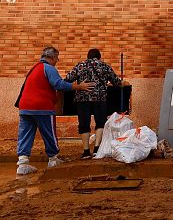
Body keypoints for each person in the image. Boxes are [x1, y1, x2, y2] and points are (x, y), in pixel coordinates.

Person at [16, 46, 94, 176]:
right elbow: (58, 84)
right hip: (42, 107)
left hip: (25, 107)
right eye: (57, 58)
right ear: (52, 58)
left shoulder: (34, 68)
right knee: (49, 133)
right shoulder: (49, 68)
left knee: (25, 134)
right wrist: (78, 86)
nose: (57, 61)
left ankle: (22, 164)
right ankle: (53, 159)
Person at [64, 48, 129, 159]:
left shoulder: (80, 65)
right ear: (99, 56)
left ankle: (85, 151)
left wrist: (79, 84)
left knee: (84, 124)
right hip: (100, 98)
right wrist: (122, 83)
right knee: (100, 122)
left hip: (83, 99)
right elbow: (116, 82)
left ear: (88, 56)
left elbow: (67, 80)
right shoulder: (104, 66)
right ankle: (97, 149)